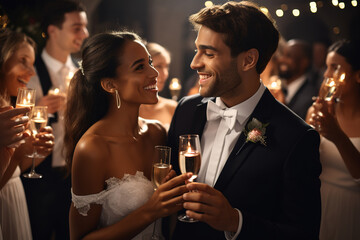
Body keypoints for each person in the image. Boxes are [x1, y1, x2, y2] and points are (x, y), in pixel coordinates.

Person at [166, 1, 321, 239]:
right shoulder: (187, 110)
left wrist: (234, 221)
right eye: (197, 50)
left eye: (209, 53)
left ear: (248, 60)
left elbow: (302, 233)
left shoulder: (296, 137)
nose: (194, 63)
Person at [64, 31, 191, 240]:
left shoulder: (157, 132)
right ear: (110, 84)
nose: (154, 73)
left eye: (150, 62)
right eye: (140, 67)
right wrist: (151, 210)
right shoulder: (93, 148)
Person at [24, 1, 89, 239]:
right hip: (38, 174)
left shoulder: (83, 74)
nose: (85, 34)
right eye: (77, 28)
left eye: (85, 27)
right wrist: (36, 112)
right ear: (53, 30)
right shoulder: (28, 71)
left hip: (75, 174)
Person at [0, 28, 54, 240]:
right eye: (23, 60)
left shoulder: (10, 107)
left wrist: (40, 152)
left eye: (32, 64)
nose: (31, 72)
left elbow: (16, 169)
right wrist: (19, 154)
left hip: (15, 195)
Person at [307, 39, 360, 240]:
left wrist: (337, 136)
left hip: (353, 209)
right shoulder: (318, 112)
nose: (327, 74)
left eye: (335, 68)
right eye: (327, 67)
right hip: (320, 203)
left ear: (358, 75)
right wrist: (308, 134)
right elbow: (306, 167)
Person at [277, 39, 319, 120]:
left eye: (289, 56)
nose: (282, 59)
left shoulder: (311, 97)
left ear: (304, 63)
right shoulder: (280, 89)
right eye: (283, 55)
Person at [139, 42, 177, 130]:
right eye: (159, 66)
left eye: (167, 67)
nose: (165, 74)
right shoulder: (128, 110)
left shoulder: (172, 107)